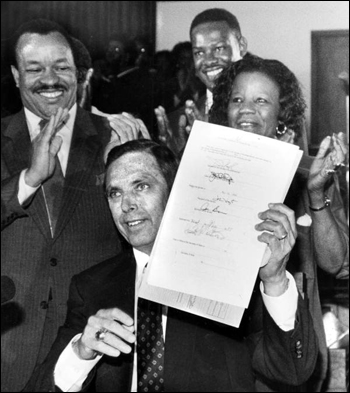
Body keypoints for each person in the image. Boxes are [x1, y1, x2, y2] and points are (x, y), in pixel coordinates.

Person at [24, 138, 318, 392]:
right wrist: (81, 352)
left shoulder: (229, 271)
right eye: (115, 193)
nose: (127, 205)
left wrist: (275, 279)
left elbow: (292, 370)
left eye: (141, 186)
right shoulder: (91, 287)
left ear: (174, 192)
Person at [0, 19, 147, 392]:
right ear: (16, 74)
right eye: (35, 69)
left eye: (62, 67)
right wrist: (29, 179)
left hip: (94, 343)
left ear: (79, 74)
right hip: (8, 341)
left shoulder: (114, 135)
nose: (50, 79)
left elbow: (151, 235)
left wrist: (129, 167)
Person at [209, 55, 349, 391]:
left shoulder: (312, 177)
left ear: (281, 116)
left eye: (261, 101)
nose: (246, 110)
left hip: (287, 358)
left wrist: (316, 196)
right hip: (216, 356)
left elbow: (337, 263)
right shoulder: (208, 176)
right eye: (237, 99)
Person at [155, 8, 247, 155]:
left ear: (241, 46)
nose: (209, 61)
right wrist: (173, 162)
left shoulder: (266, 113)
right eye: (199, 52)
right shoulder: (178, 124)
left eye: (219, 48)